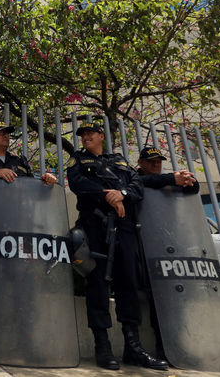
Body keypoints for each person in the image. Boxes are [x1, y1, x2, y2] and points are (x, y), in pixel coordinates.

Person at [66, 118, 168, 371]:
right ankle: (103, 347)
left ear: (102, 136)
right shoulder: (78, 160)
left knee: (128, 283)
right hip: (95, 226)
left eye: (91, 133)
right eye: (83, 134)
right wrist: (109, 196)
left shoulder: (119, 160)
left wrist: (121, 195)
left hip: (124, 228)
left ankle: (133, 347)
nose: (86, 137)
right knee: (98, 284)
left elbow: (137, 185)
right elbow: (79, 184)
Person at [0, 120, 58, 288]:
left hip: (19, 225)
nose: (6, 135)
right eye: (1, 132)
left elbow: (33, 193)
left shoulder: (19, 162)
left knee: (21, 274)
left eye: (7, 132)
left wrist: (46, 183)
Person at [136, 144, 200, 363]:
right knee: (156, 297)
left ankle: (178, 345)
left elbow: (193, 189)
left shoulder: (167, 181)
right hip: (143, 247)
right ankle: (162, 348)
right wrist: (171, 179)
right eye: (151, 161)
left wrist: (188, 179)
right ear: (140, 164)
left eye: (158, 161)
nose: (156, 165)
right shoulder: (137, 179)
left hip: (169, 247)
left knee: (177, 299)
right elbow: (139, 183)